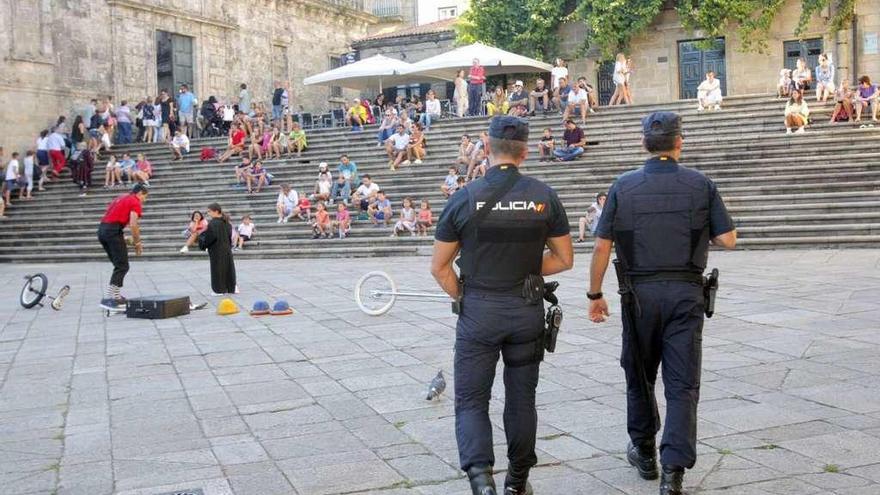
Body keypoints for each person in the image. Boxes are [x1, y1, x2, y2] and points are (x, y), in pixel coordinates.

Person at [587, 111, 736, 495]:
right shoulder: (701, 184)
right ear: (679, 142)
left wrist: (595, 293)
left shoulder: (623, 186)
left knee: (639, 373)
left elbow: (602, 244)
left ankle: (644, 451)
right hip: (685, 293)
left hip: (638, 296)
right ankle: (673, 473)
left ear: (644, 144)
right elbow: (729, 239)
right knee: (682, 383)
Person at [431, 116, 573, 495]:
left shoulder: (464, 196)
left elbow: (440, 266)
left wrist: (462, 294)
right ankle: (518, 481)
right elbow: (563, 259)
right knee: (522, 398)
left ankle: (481, 480)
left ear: (486, 147)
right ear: (525, 152)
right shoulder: (544, 195)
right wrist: (525, 267)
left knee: (472, 399)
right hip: (525, 310)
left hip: (479, 309)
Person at [97, 183, 148, 310]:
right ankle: (109, 299)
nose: (144, 200)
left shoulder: (121, 197)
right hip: (113, 232)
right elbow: (133, 224)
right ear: (140, 193)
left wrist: (122, 238)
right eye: (145, 197)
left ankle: (116, 296)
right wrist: (137, 243)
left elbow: (112, 218)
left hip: (103, 230)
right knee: (122, 266)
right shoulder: (135, 201)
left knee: (118, 265)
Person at [198, 203, 237, 295]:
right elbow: (229, 236)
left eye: (209, 211)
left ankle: (219, 290)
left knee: (217, 269)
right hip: (226, 249)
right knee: (227, 268)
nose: (208, 213)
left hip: (216, 249)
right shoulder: (226, 222)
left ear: (216, 211)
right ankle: (230, 288)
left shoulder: (213, 223)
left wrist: (202, 242)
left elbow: (210, 237)